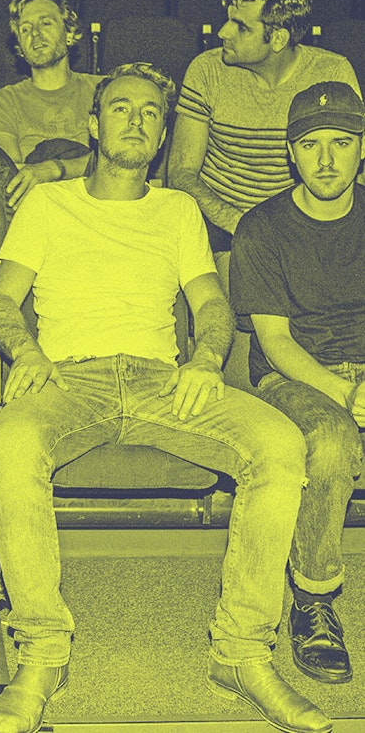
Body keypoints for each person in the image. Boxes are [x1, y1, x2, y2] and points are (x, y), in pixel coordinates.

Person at [0, 63, 331, 733]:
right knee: (12, 446)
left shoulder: (177, 210)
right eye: (120, 108)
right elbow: (0, 301)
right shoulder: (47, 204)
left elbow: (212, 306)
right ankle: (43, 653)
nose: (136, 120)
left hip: (161, 379)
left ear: (165, 133)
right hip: (68, 378)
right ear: (93, 125)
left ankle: (241, 652)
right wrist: (25, 352)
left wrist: (205, 359)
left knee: (280, 445)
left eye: (151, 112)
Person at [231, 81, 365, 686]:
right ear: (291, 153)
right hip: (294, 377)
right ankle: (314, 600)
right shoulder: (261, 227)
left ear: (362, 147)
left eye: (342, 142)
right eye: (311, 145)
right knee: (331, 442)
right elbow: (275, 341)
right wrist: (348, 394)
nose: (327, 160)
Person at [168, 0, 360, 269]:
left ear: (278, 39)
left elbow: (352, 164)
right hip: (220, 222)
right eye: (228, 19)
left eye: (241, 27)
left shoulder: (332, 73)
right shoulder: (206, 70)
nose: (223, 33)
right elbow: (181, 173)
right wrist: (245, 225)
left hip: (298, 221)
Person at [0, 0, 102, 335]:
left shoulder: (102, 90)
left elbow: (116, 159)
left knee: (63, 153)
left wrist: (55, 169)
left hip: (93, 204)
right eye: (25, 29)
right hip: (29, 209)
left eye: (46, 23)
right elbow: (14, 172)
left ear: (70, 33)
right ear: (19, 47)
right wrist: (46, 168)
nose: (35, 34)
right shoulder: (4, 100)